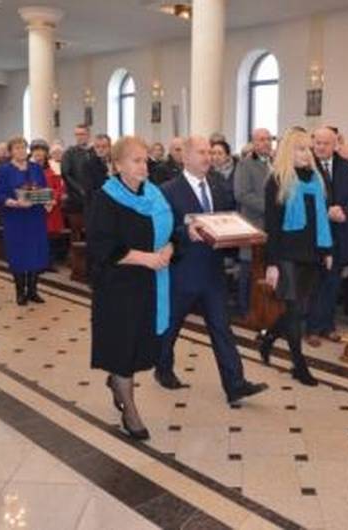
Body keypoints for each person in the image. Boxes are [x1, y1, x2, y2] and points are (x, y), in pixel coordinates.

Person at [156, 136, 268, 404]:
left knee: (222, 328)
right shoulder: (168, 190)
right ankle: (162, 368)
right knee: (170, 327)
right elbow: (161, 230)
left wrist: (240, 235)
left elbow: (227, 220)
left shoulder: (218, 187)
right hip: (183, 271)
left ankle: (235, 384)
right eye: (201, 152)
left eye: (209, 152)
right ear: (186, 157)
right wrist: (185, 232)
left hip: (213, 272)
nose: (207, 157)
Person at [87, 136, 174, 440]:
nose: (143, 166)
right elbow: (102, 246)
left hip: (149, 283)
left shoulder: (154, 194)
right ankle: (130, 410)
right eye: (136, 160)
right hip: (118, 286)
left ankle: (117, 381)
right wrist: (146, 258)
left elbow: (170, 231)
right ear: (118, 165)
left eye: (145, 160)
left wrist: (169, 248)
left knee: (139, 346)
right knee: (123, 348)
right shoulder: (105, 198)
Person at [258, 128, 333, 385]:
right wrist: (272, 263)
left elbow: (321, 220)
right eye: (301, 149)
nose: (307, 153)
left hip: (311, 252)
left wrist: (327, 250)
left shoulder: (316, 179)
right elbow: (272, 226)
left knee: (299, 309)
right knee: (293, 310)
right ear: (289, 151)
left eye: (308, 149)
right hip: (287, 253)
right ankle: (299, 366)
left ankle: (268, 336)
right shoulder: (277, 180)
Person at [306, 126, 348, 346]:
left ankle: (328, 326)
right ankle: (312, 328)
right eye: (317, 143)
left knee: (333, 283)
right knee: (314, 284)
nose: (320, 147)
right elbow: (303, 199)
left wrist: (344, 212)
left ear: (335, 144)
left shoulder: (347, 167)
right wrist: (326, 211)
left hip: (339, 233)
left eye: (325, 143)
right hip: (314, 236)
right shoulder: (307, 165)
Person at [0, 136, 49, 306]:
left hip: (35, 216)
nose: (21, 151)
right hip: (15, 217)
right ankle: (20, 292)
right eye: (17, 148)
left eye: (23, 147)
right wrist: (14, 202)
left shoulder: (36, 168)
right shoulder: (4, 170)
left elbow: (44, 188)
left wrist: (47, 199)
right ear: (10, 151)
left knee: (36, 251)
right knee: (18, 253)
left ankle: (33, 290)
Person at [233, 128, 273, 317]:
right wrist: (270, 208)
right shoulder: (245, 164)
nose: (266, 143)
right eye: (261, 139)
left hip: (272, 227)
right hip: (253, 223)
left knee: (265, 269)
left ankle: (262, 308)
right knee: (248, 269)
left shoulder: (275, 163)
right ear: (254, 143)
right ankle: (244, 309)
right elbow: (242, 194)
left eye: (268, 139)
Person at [30, 139, 67, 270]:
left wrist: (53, 199)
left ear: (46, 153)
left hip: (52, 207)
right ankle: (37, 262)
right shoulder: (28, 168)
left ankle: (49, 262)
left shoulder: (54, 168)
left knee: (51, 236)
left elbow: (60, 187)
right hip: (35, 207)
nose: (38, 153)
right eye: (35, 150)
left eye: (41, 150)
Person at [61, 123, 93, 217]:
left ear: (88, 135)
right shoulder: (69, 153)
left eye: (82, 134)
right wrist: (80, 189)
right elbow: (66, 174)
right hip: (75, 197)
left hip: (93, 197)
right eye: (77, 134)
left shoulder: (94, 152)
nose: (79, 137)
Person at [83, 134, 113, 208]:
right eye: (97, 147)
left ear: (110, 147)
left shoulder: (116, 162)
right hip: (98, 204)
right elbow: (90, 190)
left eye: (104, 146)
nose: (100, 149)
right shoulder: (88, 165)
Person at [209, 139, 237, 208]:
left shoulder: (238, 172)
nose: (215, 157)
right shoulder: (206, 173)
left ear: (228, 156)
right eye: (213, 153)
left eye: (220, 153)